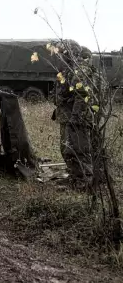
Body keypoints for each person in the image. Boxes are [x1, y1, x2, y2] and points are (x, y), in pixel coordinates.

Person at [53, 41, 96, 189]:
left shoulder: (79, 69)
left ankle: (83, 183)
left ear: (69, 53)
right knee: (67, 150)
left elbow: (83, 95)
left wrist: (75, 118)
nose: (58, 55)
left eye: (61, 52)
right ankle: (74, 178)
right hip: (67, 117)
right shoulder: (67, 69)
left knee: (79, 151)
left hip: (77, 119)